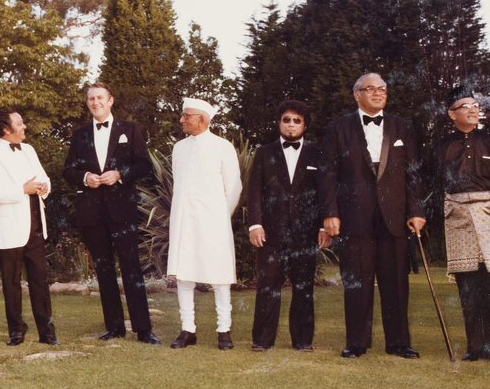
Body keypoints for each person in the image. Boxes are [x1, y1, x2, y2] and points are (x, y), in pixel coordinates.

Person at [319, 73, 426, 359]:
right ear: (357, 95)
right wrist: (330, 213)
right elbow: (327, 175)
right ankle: (356, 342)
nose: (378, 93)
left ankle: (399, 343)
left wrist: (416, 211)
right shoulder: (338, 128)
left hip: (395, 218)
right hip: (354, 217)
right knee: (357, 283)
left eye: (383, 89)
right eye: (371, 89)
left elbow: (413, 173)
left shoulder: (402, 126)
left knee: (396, 284)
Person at [63, 82, 159, 344]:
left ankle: (143, 329)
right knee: (104, 269)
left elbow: (144, 166)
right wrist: (85, 177)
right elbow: (68, 170)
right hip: (92, 213)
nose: (95, 102)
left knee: (132, 268)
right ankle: (114, 327)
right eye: (91, 99)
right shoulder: (80, 135)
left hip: (122, 211)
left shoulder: (130, 129)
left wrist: (119, 174)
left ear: (110, 100)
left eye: (100, 98)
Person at [246, 100, 330, 351]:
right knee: (268, 286)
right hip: (271, 232)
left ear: (304, 125)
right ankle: (262, 341)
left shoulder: (318, 153)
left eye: (297, 121)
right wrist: (255, 224)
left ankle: (303, 341)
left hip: (306, 232)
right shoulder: (264, 153)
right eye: (286, 120)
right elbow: (254, 191)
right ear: (279, 122)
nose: (291, 125)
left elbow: (325, 192)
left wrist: (323, 227)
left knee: (303, 286)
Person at [432, 87, 490, 363]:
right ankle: (474, 347)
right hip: (457, 213)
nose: (474, 110)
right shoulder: (442, 145)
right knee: (467, 285)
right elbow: (434, 181)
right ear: (452, 113)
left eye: (476, 105)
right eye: (466, 106)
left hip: (488, 213)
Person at [167, 97, 243, 350]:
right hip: (183, 221)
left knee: (219, 276)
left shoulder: (223, 147)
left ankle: (224, 330)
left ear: (202, 119)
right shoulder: (179, 148)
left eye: (186, 116)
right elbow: (179, 184)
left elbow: (234, 188)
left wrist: (220, 216)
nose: (182, 120)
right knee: (184, 276)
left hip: (214, 221)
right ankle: (188, 329)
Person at [0, 109, 58, 346]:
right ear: (6, 129)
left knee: (40, 281)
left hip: (35, 226)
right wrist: (22, 189)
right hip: (8, 228)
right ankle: (16, 330)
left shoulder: (29, 150)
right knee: (11, 282)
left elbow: (44, 178)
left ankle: (47, 331)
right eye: (20, 123)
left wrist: (44, 187)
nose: (24, 127)